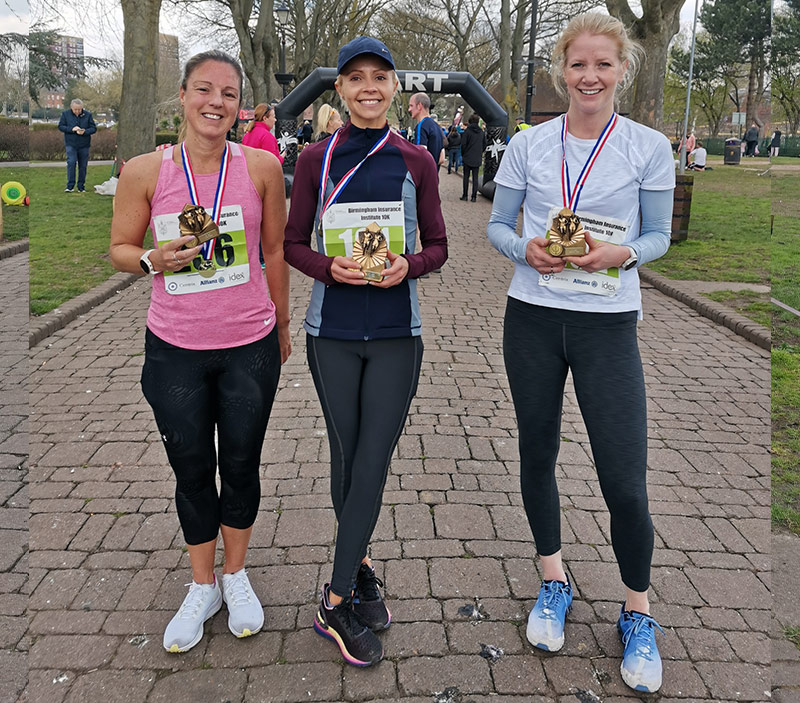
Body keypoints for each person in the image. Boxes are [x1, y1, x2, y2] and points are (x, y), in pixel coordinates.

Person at [487, 13, 674, 694]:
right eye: (577, 65)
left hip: (606, 323)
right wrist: (523, 248)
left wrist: (622, 253)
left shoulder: (649, 147)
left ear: (622, 68)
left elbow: (658, 237)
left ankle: (638, 609)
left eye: (603, 64)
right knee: (537, 452)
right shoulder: (529, 144)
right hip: (533, 316)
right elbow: (497, 225)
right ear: (560, 70)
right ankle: (553, 579)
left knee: (624, 477)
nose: (589, 76)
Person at [109, 50, 291, 654]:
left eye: (230, 94)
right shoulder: (144, 171)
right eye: (205, 90)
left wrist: (283, 324)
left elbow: (272, 253)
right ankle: (202, 583)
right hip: (176, 348)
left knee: (240, 463)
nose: (217, 102)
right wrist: (148, 260)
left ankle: (235, 575)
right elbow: (119, 246)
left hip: (249, 344)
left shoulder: (262, 166)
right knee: (192, 470)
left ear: (241, 105)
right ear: (183, 96)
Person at [284, 36, 447, 668]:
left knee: (373, 459)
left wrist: (406, 264)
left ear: (394, 87)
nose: (368, 88)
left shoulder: (417, 161)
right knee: (347, 457)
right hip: (332, 334)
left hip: (395, 338)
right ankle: (362, 568)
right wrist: (331, 269)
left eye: (380, 77)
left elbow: (436, 246)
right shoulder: (313, 161)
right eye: (356, 78)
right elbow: (296, 243)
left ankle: (334, 598)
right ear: (340, 90)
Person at [58, 98, 97, 193]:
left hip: (84, 144)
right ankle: (70, 186)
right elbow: (61, 126)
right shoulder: (65, 114)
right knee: (71, 163)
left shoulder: (88, 115)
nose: (78, 111)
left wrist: (85, 131)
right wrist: (72, 129)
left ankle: (81, 187)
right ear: (71, 107)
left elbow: (93, 128)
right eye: (75, 109)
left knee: (83, 166)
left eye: (79, 109)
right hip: (71, 144)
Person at [408, 92, 445, 170]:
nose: (409, 109)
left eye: (411, 106)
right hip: (434, 177)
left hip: (423, 177)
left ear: (419, 106)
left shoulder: (421, 126)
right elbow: (442, 158)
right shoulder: (437, 126)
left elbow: (420, 155)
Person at [460, 113, 485, 202]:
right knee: (475, 178)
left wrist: (464, 154)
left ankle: (465, 195)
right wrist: (479, 152)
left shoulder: (467, 132)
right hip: (477, 157)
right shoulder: (481, 132)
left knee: (466, 177)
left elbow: (463, 144)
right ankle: (474, 196)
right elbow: (484, 145)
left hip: (467, 156)